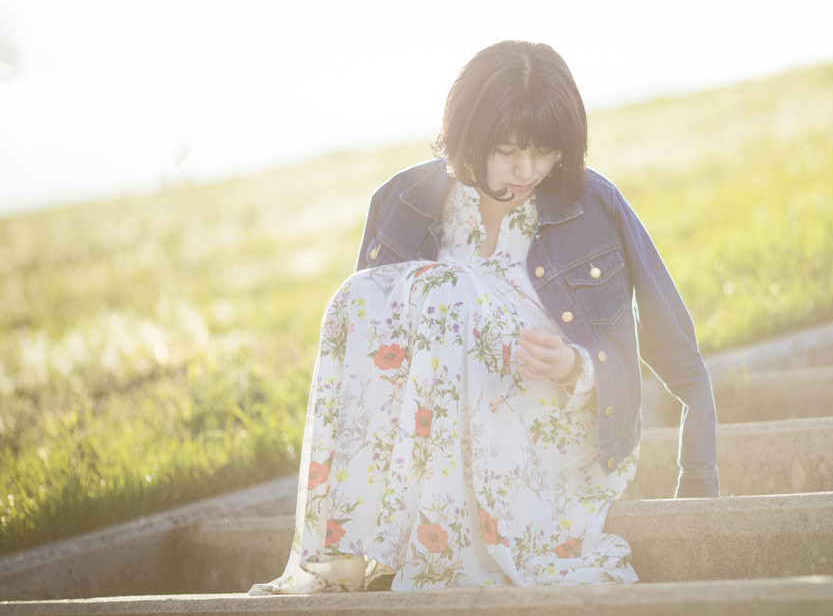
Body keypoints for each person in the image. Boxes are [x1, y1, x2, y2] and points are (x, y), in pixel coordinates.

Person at [250, 40, 718, 594]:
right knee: (361, 296)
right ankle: (351, 555)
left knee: (452, 291)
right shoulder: (403, 199)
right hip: (434, 437)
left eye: (545, 151)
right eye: (508, 150)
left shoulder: (594, 205)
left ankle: (435, 565)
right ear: (469, 136)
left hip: (553, 434)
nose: (527, 170)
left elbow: (668, 349)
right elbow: (370, 357)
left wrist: (574, 365)